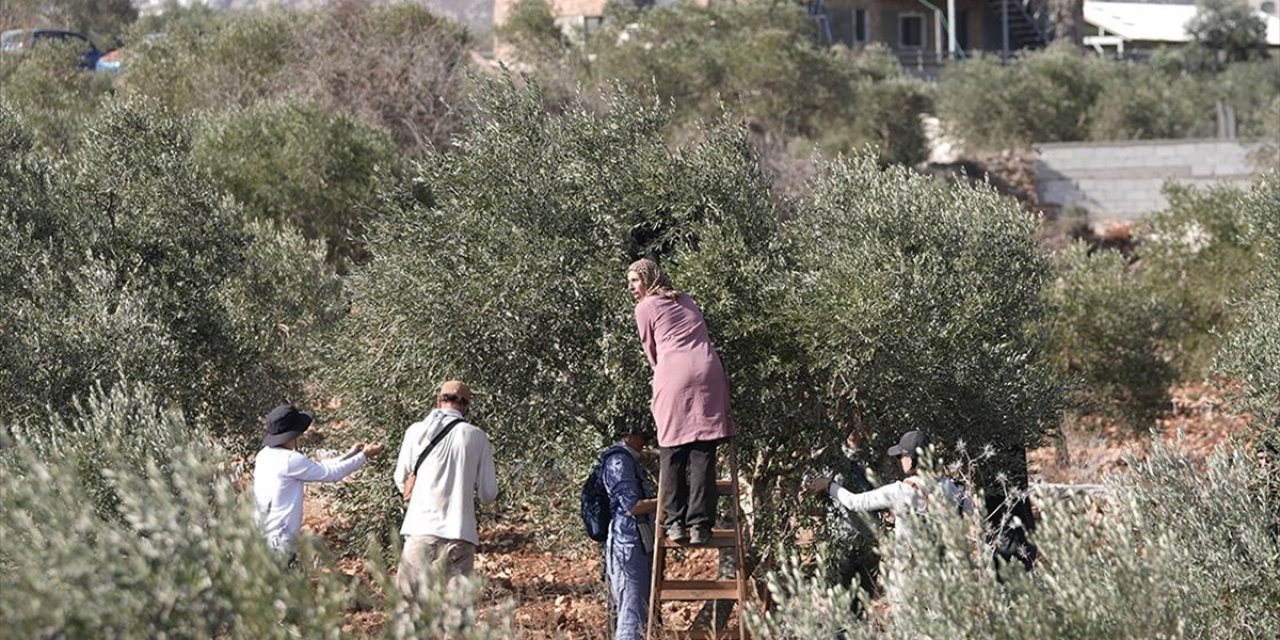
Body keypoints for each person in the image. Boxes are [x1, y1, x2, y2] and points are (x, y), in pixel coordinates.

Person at [627, 258, 736, 546]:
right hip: (709, 372)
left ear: (648, 279)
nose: (631, 288)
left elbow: (650, 351)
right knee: (703, 451)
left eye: (635, 281)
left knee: (673, 450)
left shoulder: (645, 307)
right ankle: (700, 525)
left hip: (674, 374)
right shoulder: (685, 299)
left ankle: (675, 522)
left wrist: (665, 371)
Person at [806, 430, 972, 608]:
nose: (899, 460)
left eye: (901, 455)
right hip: (944, 576)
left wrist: (828, 485)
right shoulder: (954, 488)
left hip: (909, 580)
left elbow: (855, 502)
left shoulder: (901, 490)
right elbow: (970, 514)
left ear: (911, 458)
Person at [392, 380, 498, 635]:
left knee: (407, 611)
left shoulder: (415, 431)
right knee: (457, 619)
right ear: (466, 407)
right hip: (459, 536)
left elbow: (400, 479)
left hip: (420, 531)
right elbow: (488, 493)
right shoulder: (476, 436)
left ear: (439, 400)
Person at [253, 403, 384, 561]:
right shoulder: (290, 460)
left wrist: (351, 454)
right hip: (280, 541)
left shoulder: (265, 455)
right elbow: (331, 474)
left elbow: (319, 468)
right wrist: (364, 456)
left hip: (263, 535)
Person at [599, 426, 658, 640]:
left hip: (635, 542)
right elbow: (631, 506)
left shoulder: (628, 459)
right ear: (630, 434)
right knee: (631, 616)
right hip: (627, 543)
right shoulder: (619, 461)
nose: (645, 441)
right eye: (642, 436)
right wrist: (666, 503)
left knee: (639, 613)